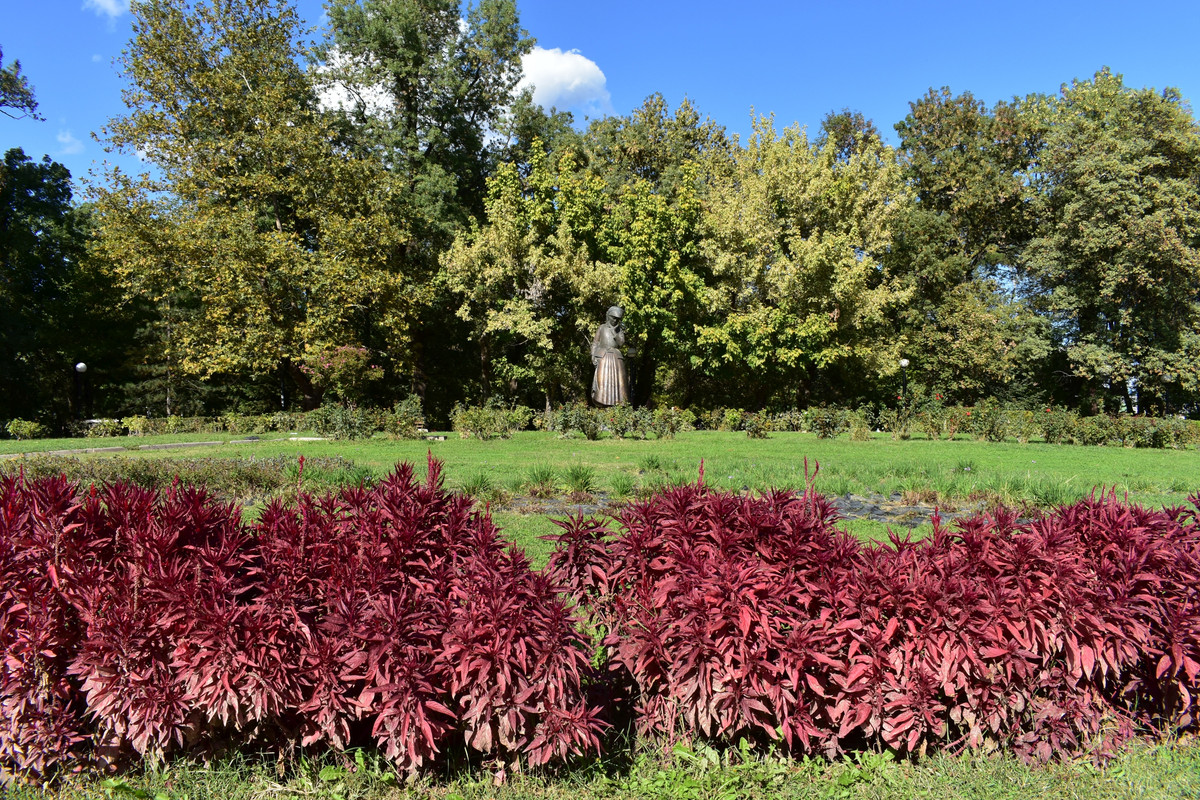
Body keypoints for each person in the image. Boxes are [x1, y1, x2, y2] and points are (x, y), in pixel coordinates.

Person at [591, 306, 629, 406]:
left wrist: (615, 332)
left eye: (617, 319)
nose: (615, 320)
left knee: (619, 382)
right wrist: (593, 356)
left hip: (616, 358)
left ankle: (618, 403)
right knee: (602, 382)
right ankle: (602, 401)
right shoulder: (602, 327)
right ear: (608, 316)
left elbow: (621, 343)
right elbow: (595, 343)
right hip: (603, 357)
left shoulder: (619, 330)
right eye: (613, 317)